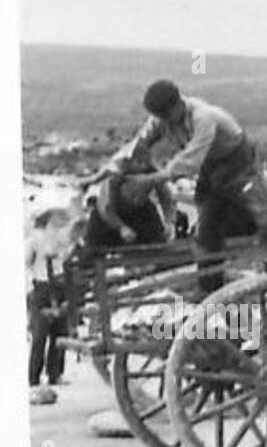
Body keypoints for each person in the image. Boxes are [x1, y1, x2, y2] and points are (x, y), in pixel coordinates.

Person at [109, 79, 267, 294]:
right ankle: (210, 292)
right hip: (210, 171)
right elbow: (140, 142)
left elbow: (188, 162)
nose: (165, 122)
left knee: (265, 219)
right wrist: (120, 167)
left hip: (237, 164)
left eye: (167, 116)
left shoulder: (204, 118)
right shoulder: (160, 120)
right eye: (160, 117)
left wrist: (149, 180)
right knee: (207, 232)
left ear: (177, 105)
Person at [26, 205, 78, 399]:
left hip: (60, 284)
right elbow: (26, 262)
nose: (58, 223)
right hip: (41, 285)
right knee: (39, 335)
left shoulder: (63, 239)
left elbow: (68, 257)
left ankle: (55, 373)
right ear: (47, 220)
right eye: (55, 219)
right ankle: (33, 377)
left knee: (60, 332)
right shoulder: (34, 240)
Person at [82, 148, 176, 250]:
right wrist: (121, 227)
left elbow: (166, 198)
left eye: (144, 162)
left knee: (157, 242)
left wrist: (169, 221)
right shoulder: (115, 173)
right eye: (138, 161)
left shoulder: (152, 170)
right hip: (110, 212)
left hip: (141, 210)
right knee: (95, 245)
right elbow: (106, 208)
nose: (142, 165)